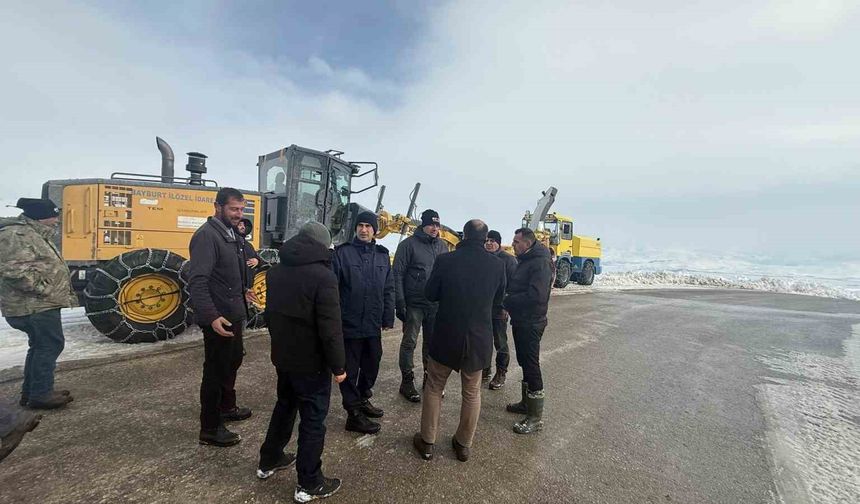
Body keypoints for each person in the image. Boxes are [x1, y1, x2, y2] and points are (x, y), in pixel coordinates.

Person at [258, 221, 346, 503]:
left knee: (285, 406)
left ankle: (269, 459)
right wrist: (339, 367)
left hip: (284, 357)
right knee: (313, 420)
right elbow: (330, 329)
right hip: (312, 363)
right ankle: (309, 482)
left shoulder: (275, 272)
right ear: (322, 246)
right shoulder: (323, 277)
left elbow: (271, 315)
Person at [412, 220, 506, 462]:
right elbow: (498, 301)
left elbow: (430, 294)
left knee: (434, 387)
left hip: (446, 334)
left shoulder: (446, 260)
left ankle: (427, 442)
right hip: (478, 339)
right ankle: (463, 444)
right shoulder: (497, 265)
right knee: (472, 393)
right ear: (485, 239)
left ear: (463, 235)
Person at [188, 187, 257, 447]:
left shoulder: (231, 235)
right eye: (233, 209)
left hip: (234, 311)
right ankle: (210, 427)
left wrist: (243, 292)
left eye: (241, 210)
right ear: (217, 207)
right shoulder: (207, 237)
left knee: (233, 360)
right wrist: (211, 316)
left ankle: (227, 406)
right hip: (219, 317)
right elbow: (198, 281)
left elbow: (230, 274)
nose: (238, 215)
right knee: (216, 370)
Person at [0, 198, 75, 410]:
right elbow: (14, 271)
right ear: (41, 216)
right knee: (49, 345)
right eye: (54, 216)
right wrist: (45, 289)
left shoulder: (34, 233)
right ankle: (41, 394)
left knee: (41, 345)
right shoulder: (16, 234)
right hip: (33, 305)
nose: (57, 221)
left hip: (38, 304)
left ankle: (33, 392)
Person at [331, 211, 394, 435]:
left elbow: (388, 288)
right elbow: (334, 290)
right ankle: (353, 414)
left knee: (372, 364)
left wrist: (388, 316)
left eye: (368, 226)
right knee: (350, 370)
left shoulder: (383, 255)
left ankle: (363, 397)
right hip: (349, 324)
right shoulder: (342, 254)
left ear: (375, 230)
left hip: (372, 323)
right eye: (361, 225)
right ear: (355, 228)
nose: (364, 230)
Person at [393, 209, 448, 402]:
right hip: (413, 304)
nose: (434, 228)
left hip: (434, 305)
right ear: (423, 225)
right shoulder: (408, 245)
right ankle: (407, 382)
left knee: (432, 345)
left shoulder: (442, 247)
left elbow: (446, 277)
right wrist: (399, 302)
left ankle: (429, 379)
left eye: (437, 225)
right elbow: (397, 274)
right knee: (409, 343)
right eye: (431, 224)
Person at [504, 228, 553, 434]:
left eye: (516, 242)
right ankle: (526, 403)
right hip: (522, 320)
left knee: (531, 364)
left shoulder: (540, 263)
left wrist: (507, 300)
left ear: (527, 243)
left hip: (532, 321)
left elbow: (536, 296)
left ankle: (535, 417)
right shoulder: (526, 259)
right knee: (524, 360)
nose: (513, 244)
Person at [482, 230, 518, 390]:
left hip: (499, 309)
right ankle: (485, 369)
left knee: (500, 342)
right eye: (487, 240)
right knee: (483, 341)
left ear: (498, 242)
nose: (489, 243)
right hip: (482, 309)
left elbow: (513, 286)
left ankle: (501, 373)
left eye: (492, 240)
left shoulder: (508, 260)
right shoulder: (481, 258)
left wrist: (506, 306)